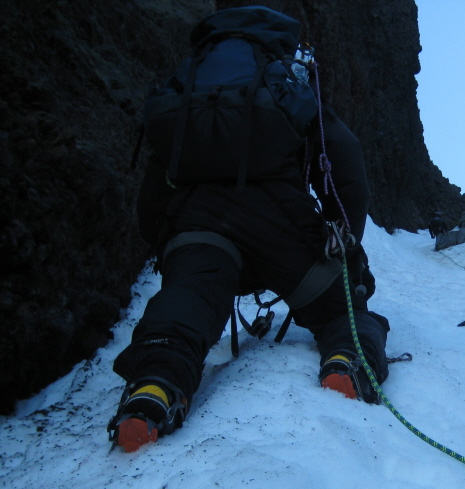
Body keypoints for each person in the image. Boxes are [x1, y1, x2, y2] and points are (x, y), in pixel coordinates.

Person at [107, 7, 389, 453]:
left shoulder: (192, 81)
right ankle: (347, 361)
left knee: (189, 300)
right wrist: (343, 238)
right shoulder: (285, 79)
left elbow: (155, 180)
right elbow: (343, 158)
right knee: (344, 313)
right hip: (278, 219)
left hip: (195, 218)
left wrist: (168, 243)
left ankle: (155, 385)